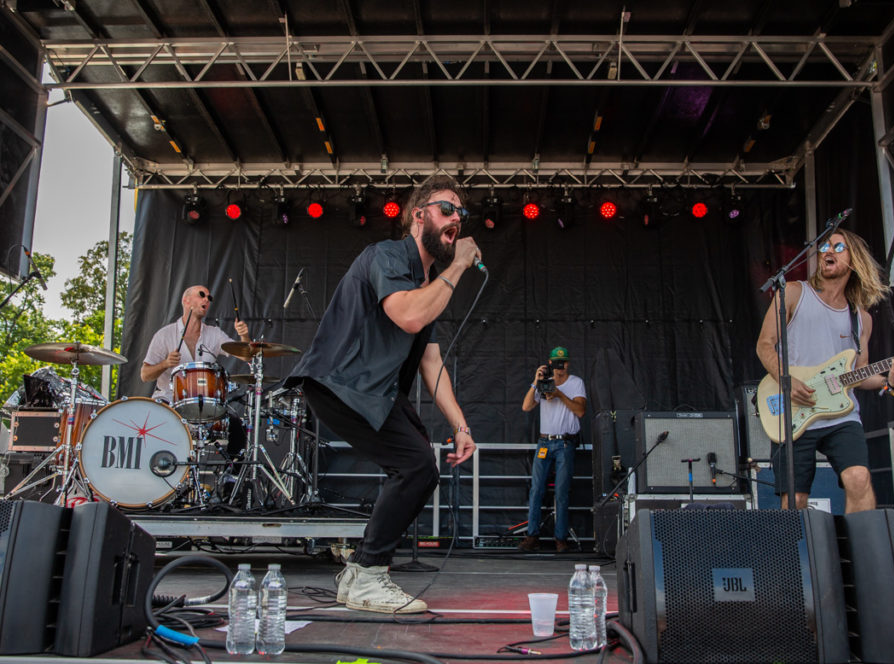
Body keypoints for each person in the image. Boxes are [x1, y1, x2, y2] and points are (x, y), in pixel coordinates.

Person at [286, 177, 479, 614]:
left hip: (374, 390)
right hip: (341, 383)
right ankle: (369, 574)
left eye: (461, 213)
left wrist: (461, 426)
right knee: (415, 466)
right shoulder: (388, 256)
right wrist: (459, 267)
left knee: (419, 468)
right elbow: (407, 315)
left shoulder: (430, 282)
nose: (456, 218)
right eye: (447, 209)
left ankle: (360, 573)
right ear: (419, 215)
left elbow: (431, 361)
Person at [755, 229, 894, 513]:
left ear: (854, 259)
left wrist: (891, 382)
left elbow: (861, 373)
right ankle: (800, 545)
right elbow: (764, 345)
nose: (828, 251)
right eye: (824, 246)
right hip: (795, 412)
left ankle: (860, 543)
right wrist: (786, 379)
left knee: (859, 479)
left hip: (842, 415)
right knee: (795, 500)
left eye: (838, 247)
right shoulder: (793, 293)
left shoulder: (861, 318)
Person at [518, 346, 587, 552]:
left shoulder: (576, 383)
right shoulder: (544, 382)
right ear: (549, 363)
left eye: (563, 362)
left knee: (562, 491)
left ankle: (560, 539)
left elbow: (581, 411)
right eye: (556, 363)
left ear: (568, 363)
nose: (560, 366)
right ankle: (532, 536)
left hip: (565, 442)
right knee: (536, 489)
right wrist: (535, 381)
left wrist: (559, 394)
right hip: (545, 441)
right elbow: (526, 406)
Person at [141, 285, 250, 401]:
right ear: (186, 301)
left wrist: (244, 335)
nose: (206, 300)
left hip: (203, 404)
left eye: (209, 298)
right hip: (169, 401)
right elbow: (145, 375)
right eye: (201, 295)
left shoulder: (215, 334)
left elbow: (246, 356)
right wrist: (165, 364)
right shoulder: (164, 334)